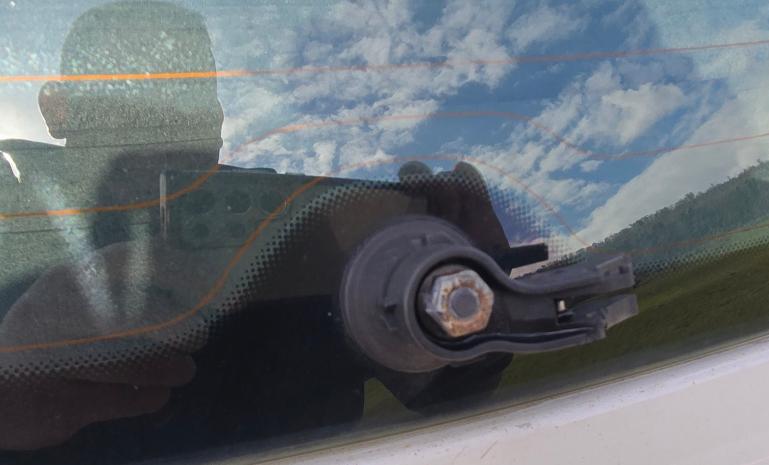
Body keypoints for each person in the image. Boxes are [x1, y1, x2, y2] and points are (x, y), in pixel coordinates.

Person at [0, 0, 513, 457]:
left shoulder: (298, 226)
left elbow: (444, 392)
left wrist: (469, 291)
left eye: (195, 92)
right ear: (56, 108)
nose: (174, 114)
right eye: (130, 87)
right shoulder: (10, 233)